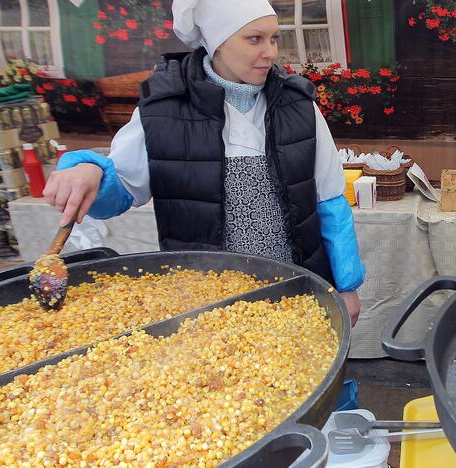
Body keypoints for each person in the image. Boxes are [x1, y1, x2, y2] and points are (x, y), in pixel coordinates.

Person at [42, 0, 365, 324]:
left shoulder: (299, 106)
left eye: (274, 38)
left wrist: (346, 286)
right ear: (217, 41)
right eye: (255, 39)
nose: (270, 52)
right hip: (206, 304)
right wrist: (91, 170)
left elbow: (330, 201)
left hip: (296, 292)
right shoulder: (164, 110)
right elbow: (123, 187)